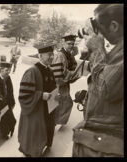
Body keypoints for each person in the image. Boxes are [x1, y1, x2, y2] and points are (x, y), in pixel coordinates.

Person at [72, 4, 123, 157]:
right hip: (99, 141)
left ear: (114, 25)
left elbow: (107, 89)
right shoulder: (117, 49)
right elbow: (106, 72)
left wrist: (97, 49)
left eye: (98, 25)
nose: (98, 32)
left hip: (107, 146)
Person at [18, 43, 57, 157]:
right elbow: (24, 95)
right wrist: (40, 95)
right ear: (40, 56)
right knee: (33, 134)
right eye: (49, 55)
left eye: (52, 55)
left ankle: (41, 147)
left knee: (45, 130)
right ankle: (29, 152)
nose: (51, 57)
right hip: (36, 109)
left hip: (48, 108)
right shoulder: (32, 71)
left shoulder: (50, 70)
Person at [50, 34, 78, 130]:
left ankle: (56, 122)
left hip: (64, 83)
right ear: (63, 43)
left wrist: (75, 72)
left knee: (65, 103)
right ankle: (54, 123)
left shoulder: (69, 54)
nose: (71, 45)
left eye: (72, 44)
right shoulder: (60, 55)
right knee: (63, 103)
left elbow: (73, 67)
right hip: (59, 84)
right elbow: (58, 74)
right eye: (69, 43)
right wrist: (73, 74)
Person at [0, 62, 16, 139]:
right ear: (0, 70)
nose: (8, 72)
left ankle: (7, 132)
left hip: (7, 103)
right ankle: (4, 134)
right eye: (6, 70)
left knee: (12, 120)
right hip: (0, 105)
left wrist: (12, 102)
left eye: (9, 70)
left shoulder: (8, 78)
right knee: (2, 120)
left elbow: (11, 91)